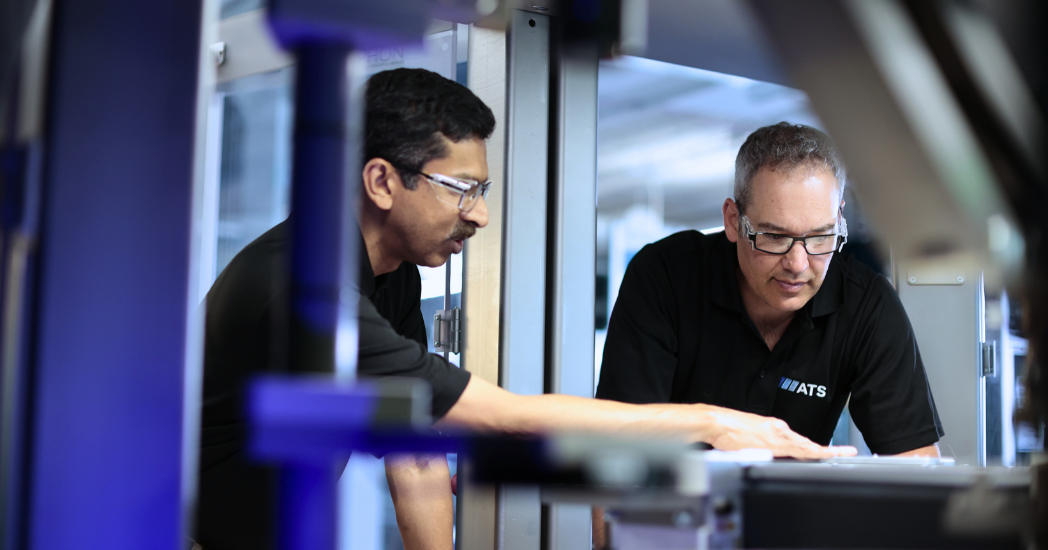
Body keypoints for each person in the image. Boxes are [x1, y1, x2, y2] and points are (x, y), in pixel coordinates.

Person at [196, 71, 855, 550]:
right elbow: (505, 418)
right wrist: (718, 423)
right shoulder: (304, 287)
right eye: (462, 190)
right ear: (381, 182)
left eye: (482, 191)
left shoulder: (387, 279)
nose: (479, 214)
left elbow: (417, 452)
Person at [596, 122, 944, 458]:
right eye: (775, 237)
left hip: (798, 515)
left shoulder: (866, 303)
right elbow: (618, 447)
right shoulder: (666, 277)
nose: (797, 263)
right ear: (733, 221)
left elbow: (914, 462)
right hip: (670, 512)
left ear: (839, 221)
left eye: (820, 237)